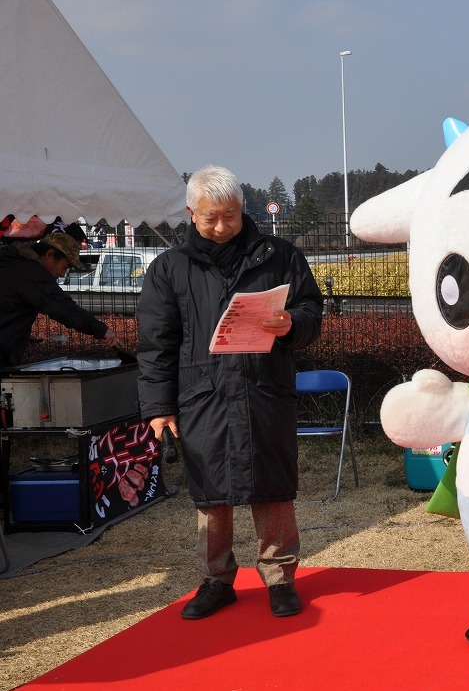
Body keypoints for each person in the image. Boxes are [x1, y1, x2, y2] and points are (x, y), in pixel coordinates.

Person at [137, 165, 323, 619]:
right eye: (210, 218)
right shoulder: (169, 268)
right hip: (202, 392)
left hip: (265, 386)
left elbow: (311, 310)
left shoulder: (278, 255)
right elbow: (156, 343)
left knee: (273, 485)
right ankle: (215, 580)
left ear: (243, 210)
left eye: (231, 216)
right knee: (210, 492)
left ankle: (280, 578)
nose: (221, 226)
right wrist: (159, 406)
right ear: (190, 213)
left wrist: (292, 323)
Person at [0, 228, 120, 369]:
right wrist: (100, 329)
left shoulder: (13, 262)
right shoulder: (31, 273)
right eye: (65, 267)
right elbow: (61, 306)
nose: (63, 274)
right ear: (50, 255)